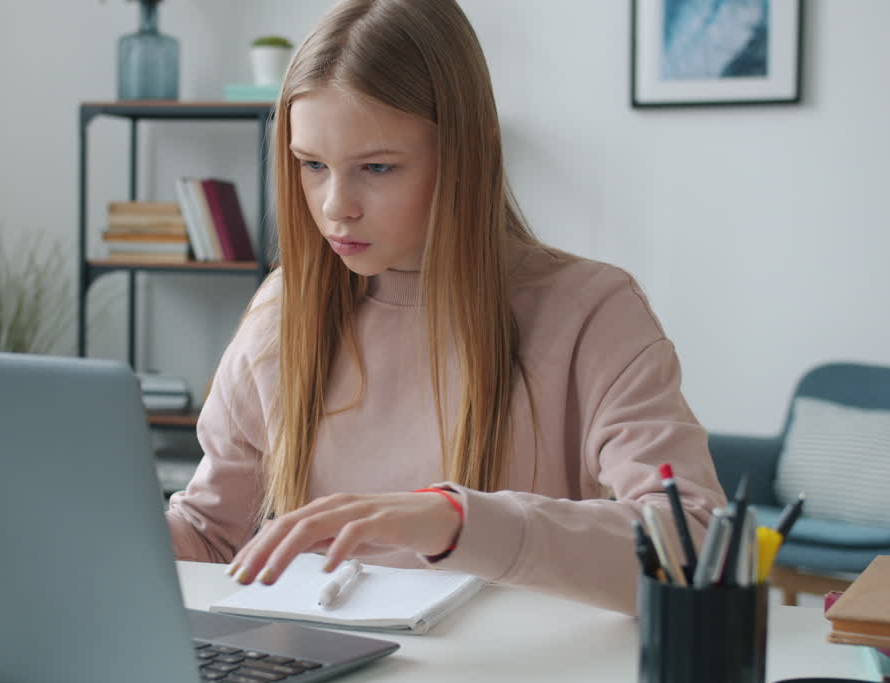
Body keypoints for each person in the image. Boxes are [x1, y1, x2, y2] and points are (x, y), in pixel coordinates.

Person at [165, 0, 725, 616]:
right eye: (312, 166)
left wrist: (458, 522)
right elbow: (213, 536)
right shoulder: (283, 308)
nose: (334, 206)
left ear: (468, 153)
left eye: (377, 167)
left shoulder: (593, 312)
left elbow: (695, 545)